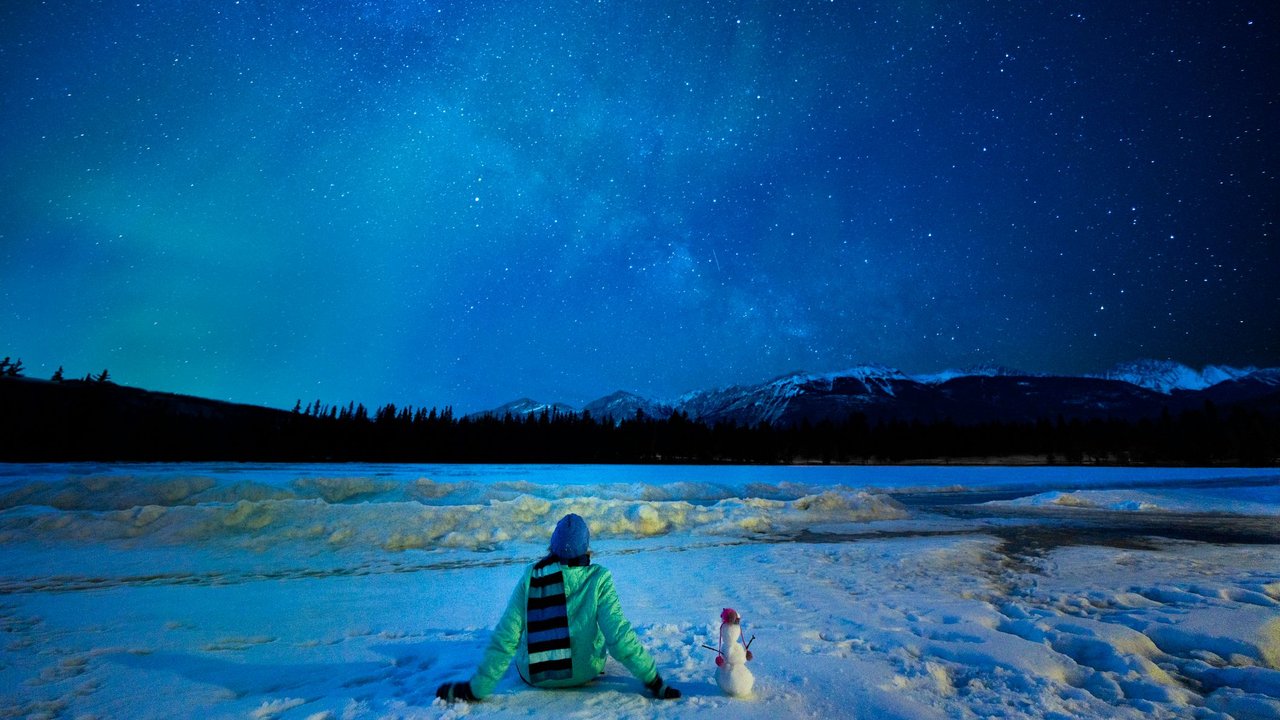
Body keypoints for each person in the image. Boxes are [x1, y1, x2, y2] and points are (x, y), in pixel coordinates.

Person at [436, 513, 681, 702]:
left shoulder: (532, 576)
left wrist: (476, 690)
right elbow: (618, 636)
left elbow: (505, 639)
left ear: (553, 546)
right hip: (586, 672)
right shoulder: (599, 578)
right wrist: (654, 680)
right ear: (586, 547)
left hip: (536, 676)